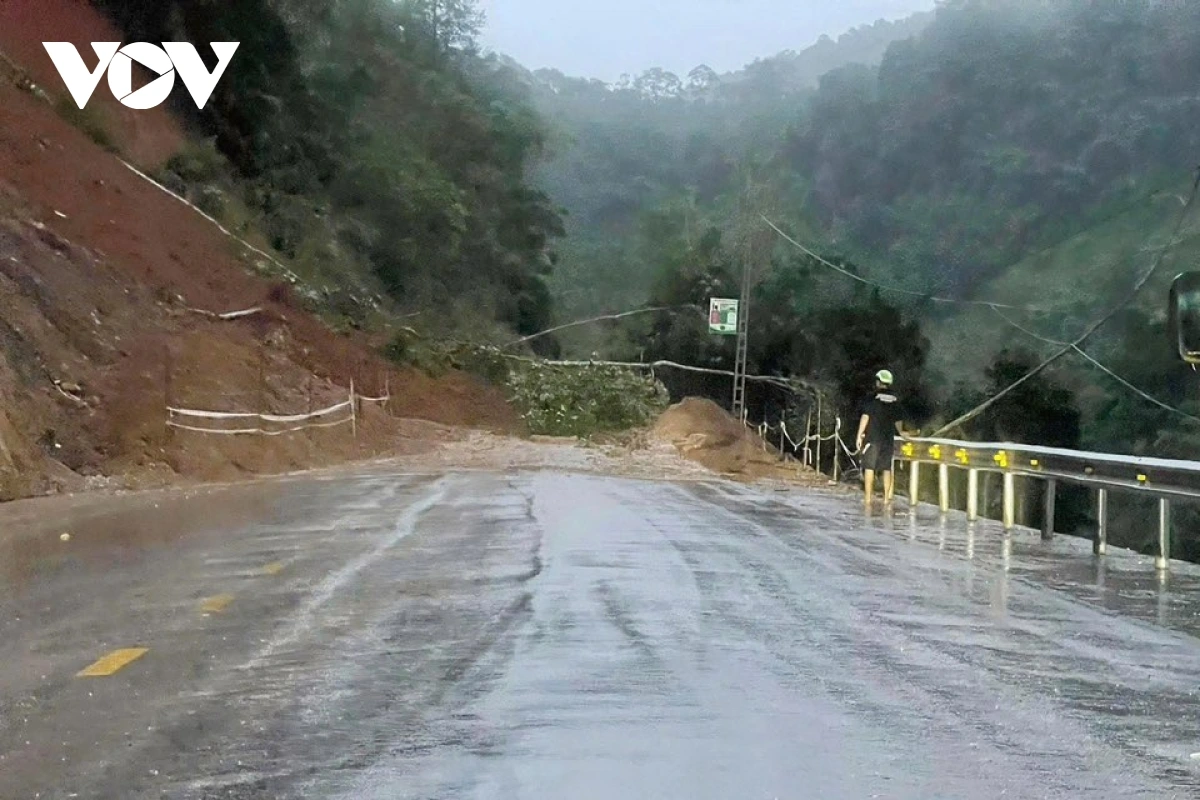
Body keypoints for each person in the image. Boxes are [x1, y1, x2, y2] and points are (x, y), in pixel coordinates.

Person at [856, 369, 906, 508]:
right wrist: (901, 432)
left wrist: (859, 435)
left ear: (878, 382)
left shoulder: (872, 398)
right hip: (888, 439)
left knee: (869, 467)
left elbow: (865, 416)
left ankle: (868, 499)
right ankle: (886, 500)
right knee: (886, 468)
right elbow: (898, 420)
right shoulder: (895, 400)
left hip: (872, 438)